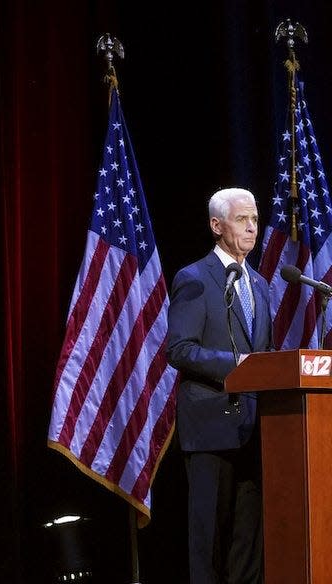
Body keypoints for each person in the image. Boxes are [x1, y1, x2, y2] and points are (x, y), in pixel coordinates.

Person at [166, 187, 268, 584]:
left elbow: (265, 352)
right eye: (242, 219)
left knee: (249, 545)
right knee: (209, 546)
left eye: (255, 219)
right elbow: (180, 350)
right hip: (209, 429)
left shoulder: (259, 283)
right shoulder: (193, 279)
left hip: (255, 431)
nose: (251, 228)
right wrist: (236, 366)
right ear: (216, 225)